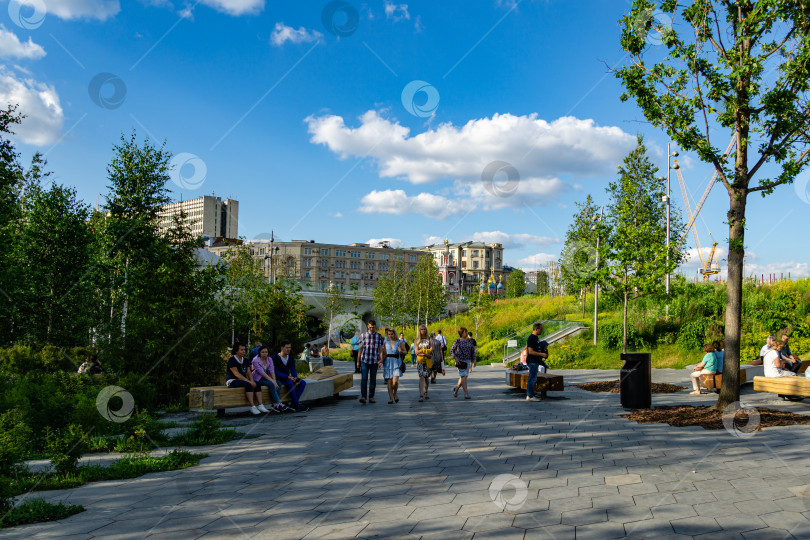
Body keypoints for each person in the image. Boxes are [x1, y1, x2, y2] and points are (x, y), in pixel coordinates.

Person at [226, 343, 268, 415]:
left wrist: (251, 380)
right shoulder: (232, 360)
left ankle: (261, 405)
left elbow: (248, 372)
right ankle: (252, 406)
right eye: (241, 350)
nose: (244, 351)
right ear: (236, 351)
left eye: (244, 350)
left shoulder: (245, 360)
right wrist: (249, 381)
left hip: (243, 380)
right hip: (232, 380)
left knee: (257, 383)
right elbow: (236, 374)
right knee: (248, 384)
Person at [273, 341, 309, 412]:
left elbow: (293, 369)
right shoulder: (276, 357)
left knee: (302, 382)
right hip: (279, 378)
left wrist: (295, 378)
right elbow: (275, 372)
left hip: (288, 378)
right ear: (282, 348)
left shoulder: (290, 357)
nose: (289, 349)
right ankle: (296, 404)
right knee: (289, 382)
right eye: (287, 348)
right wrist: (288, 377)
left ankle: (293, 404)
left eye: (290, 347)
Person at [252, 345, 289, 413]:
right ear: (259, 352)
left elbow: (272, 371)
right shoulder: (255, 360)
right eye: (262, 352)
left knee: (279, 383)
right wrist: (273, 382)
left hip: (267, 378)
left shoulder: (269, 359)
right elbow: (262, 373)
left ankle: (275, 405)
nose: (264, 354)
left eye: (266, 352)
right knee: (271, 384)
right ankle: (278, 403)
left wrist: (274, 381)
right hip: (258, 379)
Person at [357, 320, 385, 404]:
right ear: (367, 327)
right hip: (364, 360)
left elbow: (380, 349)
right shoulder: (363, 335)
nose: (371, 329)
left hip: (374, 361)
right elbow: (360, 349)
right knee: (364, 378)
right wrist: (358, 361)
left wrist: (381, 359)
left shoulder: (379, 336)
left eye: (373, 327)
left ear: (375, 327)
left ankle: (371, 397)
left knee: (373, 379)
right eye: (369, 327)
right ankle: (363, 396)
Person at [525, 322, 549, 401]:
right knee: (532, 379)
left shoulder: (536, 339)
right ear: (536, 329)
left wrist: (543, 363)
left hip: (536, 361)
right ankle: (530, 396)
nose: (541, 331)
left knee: (533, 378)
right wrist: (542, 354)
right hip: (532, 361)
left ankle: (531, 395)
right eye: (540, 329)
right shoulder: (532, 338)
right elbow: (531, 351)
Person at [383, 328, 406, 404]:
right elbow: (384, 353)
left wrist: (401, 351)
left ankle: (395, 393)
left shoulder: (400, 342)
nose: (390, 336)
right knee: (389, 382)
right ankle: (390, 398)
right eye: (389, 334)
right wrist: (380, 361)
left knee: (394, 382)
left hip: (396, 362)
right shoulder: (386, 342)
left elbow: (405, 352)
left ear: (394, 334)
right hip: (388, 362)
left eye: (391, 334)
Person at [451, 327, 475, 399]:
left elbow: (472, 351)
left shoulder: (469, 341)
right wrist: (455, 357)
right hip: (460, 361)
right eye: (465, 332)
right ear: (461, 333)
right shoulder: (457, 341)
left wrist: (474, 359)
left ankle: (456, 390)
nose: (466, 333)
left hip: (468, 361)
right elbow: (452, 351)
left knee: (463, 377)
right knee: (463, 376)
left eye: (466, 331)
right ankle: (466, 394)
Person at [415, 325, 434, 402]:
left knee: (426, 378)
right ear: (419, 331)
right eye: (421, 329)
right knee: (421, 377)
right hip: (420, 361)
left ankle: (426, 391)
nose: (423, 330)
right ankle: (421, 395)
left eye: (424, 329)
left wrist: (422, 351)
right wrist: (426, 353)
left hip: (428, 361)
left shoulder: (430, 339)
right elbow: (416, 352)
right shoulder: (417, 340)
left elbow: (431, 349)